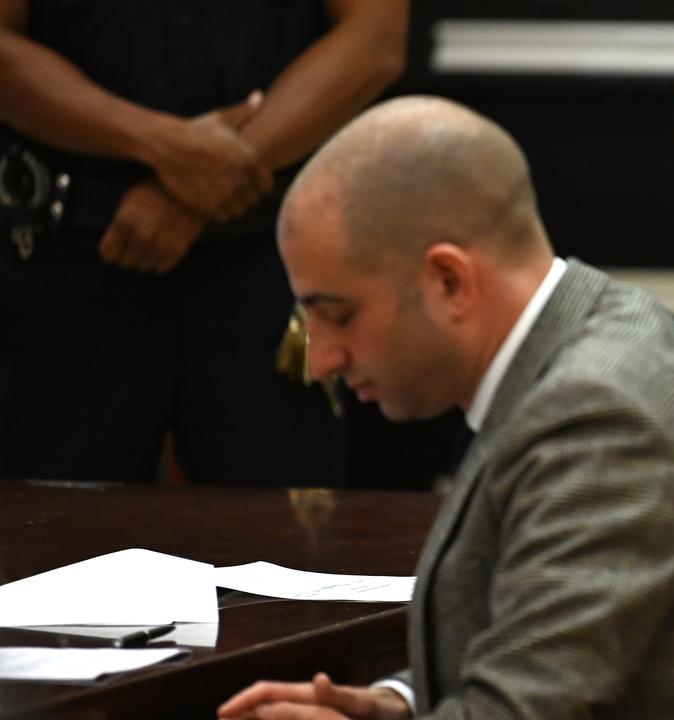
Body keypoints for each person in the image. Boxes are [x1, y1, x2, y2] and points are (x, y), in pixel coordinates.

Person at [217, 96, 674, 720]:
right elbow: (533, 653)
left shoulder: (598, 419)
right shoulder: (595, 329)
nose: (320, 360)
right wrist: (394, 704)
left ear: (450, 281)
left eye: (338, 313)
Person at [0, 0, 407, 486]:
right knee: (56, 538)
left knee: (282, 539)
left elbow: (375, 41)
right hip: (67, 256)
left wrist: (195, 188)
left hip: (275, 263)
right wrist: (164, 145)